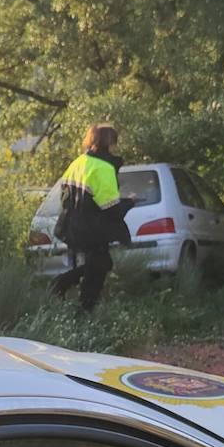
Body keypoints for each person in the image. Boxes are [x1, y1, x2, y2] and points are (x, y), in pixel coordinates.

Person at [50, 124, 136, 310]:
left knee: (97, 265)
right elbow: (110, 208)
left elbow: (66, 197)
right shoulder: (103, 167)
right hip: (92, 229)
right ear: (109, 142)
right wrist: (129, 202)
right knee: (99, 266)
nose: (116, 147)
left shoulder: (78, 162)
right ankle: (79, 302)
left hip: (71, 226)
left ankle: (68, 292)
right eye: (114, 142)